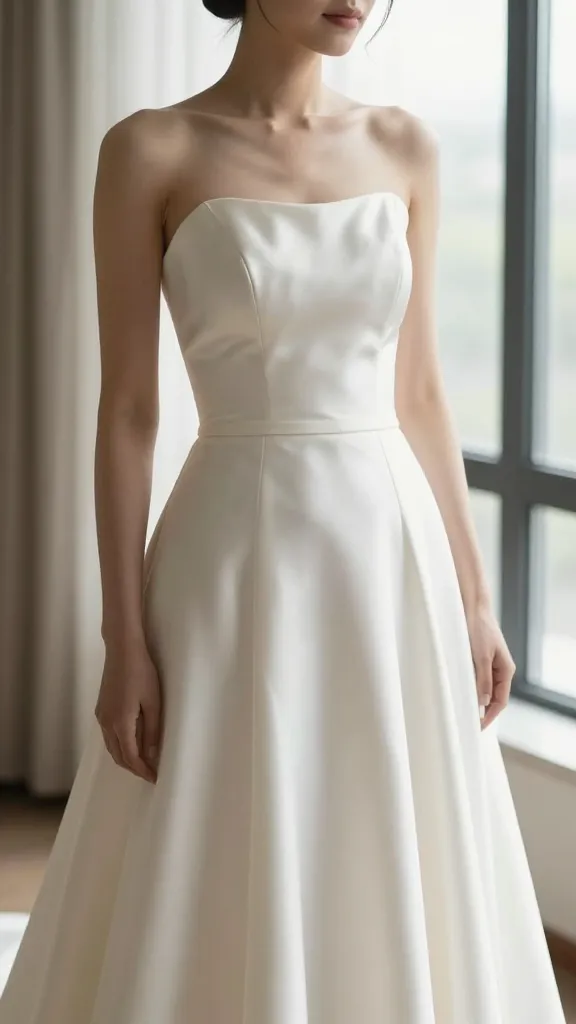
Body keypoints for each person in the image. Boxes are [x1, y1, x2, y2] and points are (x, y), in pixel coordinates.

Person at [0, 1, 568, 1021]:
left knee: (384, 822)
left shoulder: (404, 144)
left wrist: (477, 598)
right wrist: (123, 638)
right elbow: (128, 412)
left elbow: (421, 392)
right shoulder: (150, 149)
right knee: (217, 821)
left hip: (387, 551)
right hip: (232, 547)